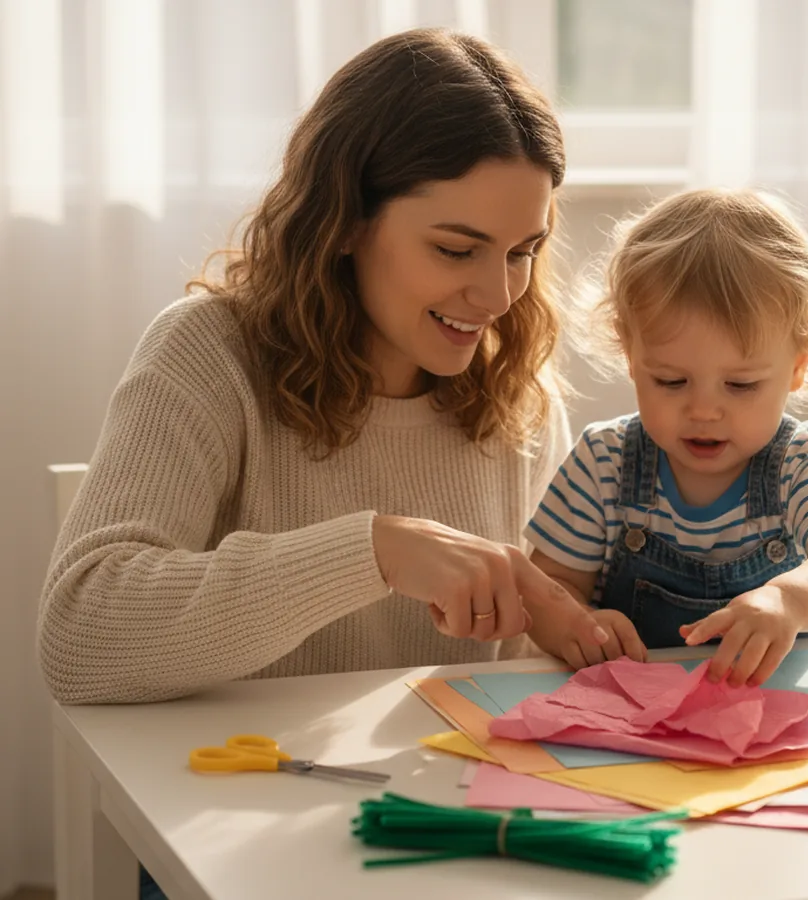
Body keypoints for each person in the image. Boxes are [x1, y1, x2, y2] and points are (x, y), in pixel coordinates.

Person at [37, 28, 609, 709]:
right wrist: (371, 553)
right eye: (457, 250)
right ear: (344, 221)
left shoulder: (520, 396)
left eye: (522, 251)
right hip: (226, 799)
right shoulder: (209, 355)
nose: (498, 296)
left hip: (434, 801)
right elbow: (79, 640)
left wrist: (575, 635)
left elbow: (507, 671)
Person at [524, 188, 808, 688]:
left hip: (778, 720)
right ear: (630, 356)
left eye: (741, 385)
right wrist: (573, 623)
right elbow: (546, 586)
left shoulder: (805, 463)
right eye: (670, 381)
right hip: (635, 718)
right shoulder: (604, 462)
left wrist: (791, 598)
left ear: (799, 367)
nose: (702, 410)